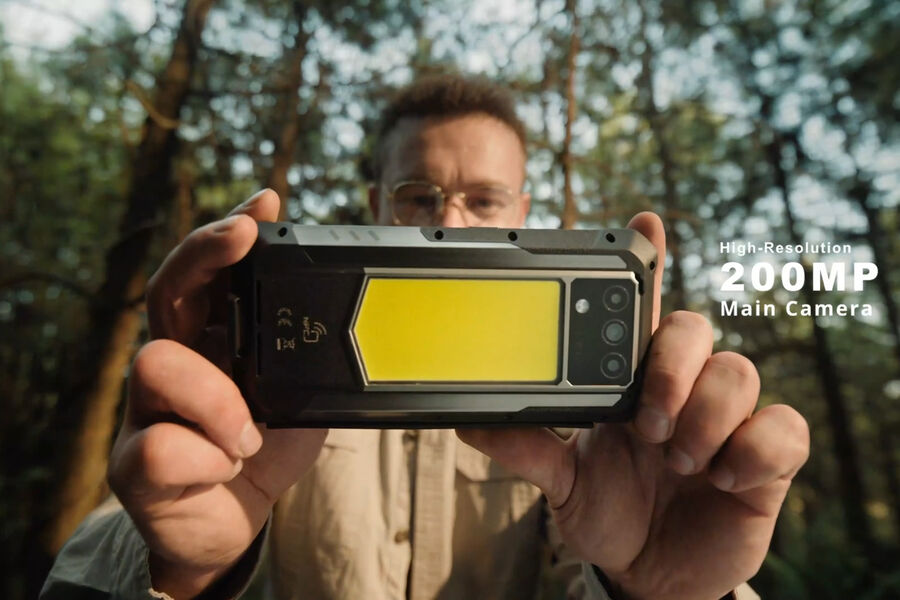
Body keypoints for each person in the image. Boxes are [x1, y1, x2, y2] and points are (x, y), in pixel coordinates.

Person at [42, 74, 809, 600]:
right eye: (418, 195)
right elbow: (94, 565)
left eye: (485, 199)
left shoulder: (588, 420)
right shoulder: (260, 387)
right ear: (375, 201)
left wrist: (656, 592)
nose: (449, 220)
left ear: (523, 212)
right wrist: (179, 571)